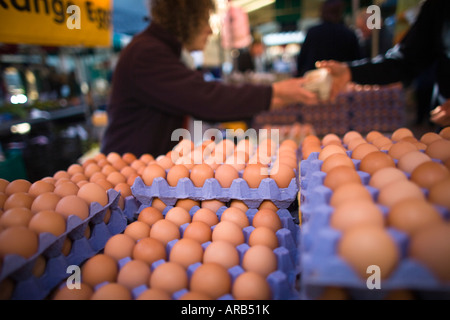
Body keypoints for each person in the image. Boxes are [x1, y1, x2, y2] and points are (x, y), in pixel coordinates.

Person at [101, 0, 318, 158]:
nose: (210, 30)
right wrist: (275, 92)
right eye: (205, 19)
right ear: (185, 19)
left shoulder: (159, 50)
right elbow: (205, 98)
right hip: (128, 169)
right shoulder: (146, 53)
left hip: (146, 166)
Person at [317, 0, 450, 128]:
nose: (362, 33)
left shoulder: (383, 33)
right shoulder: (438, 6)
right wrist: (350, 71)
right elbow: (404, 60)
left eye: (363, 29)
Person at [296, 0, 360, 77]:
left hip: (314, 79)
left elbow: (302, 60)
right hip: (340, 80)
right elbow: (357, 61)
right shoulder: (348, 33)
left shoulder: (313, 32)